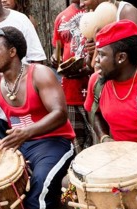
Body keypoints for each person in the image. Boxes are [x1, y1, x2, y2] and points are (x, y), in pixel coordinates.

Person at [0, 26, 76, 209]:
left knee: (41, 182)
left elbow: (60, 114)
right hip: (19, 144)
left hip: (54, 142)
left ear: (12, 52)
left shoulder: (40, 74)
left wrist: (26, 132)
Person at [84, 20, 137, 153]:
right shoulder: (97, 82)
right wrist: (104, 137)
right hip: (122, 163)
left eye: (101, 54)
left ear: (121, 57)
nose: (96, 60)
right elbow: (93, 111)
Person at [51, 0, 93, 154]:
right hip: (71, 92)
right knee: (78, 144)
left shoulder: (98, 12)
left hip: (95, 90)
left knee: (99, 140)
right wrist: (55, 59)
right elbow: (58, 51)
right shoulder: (62, 17)